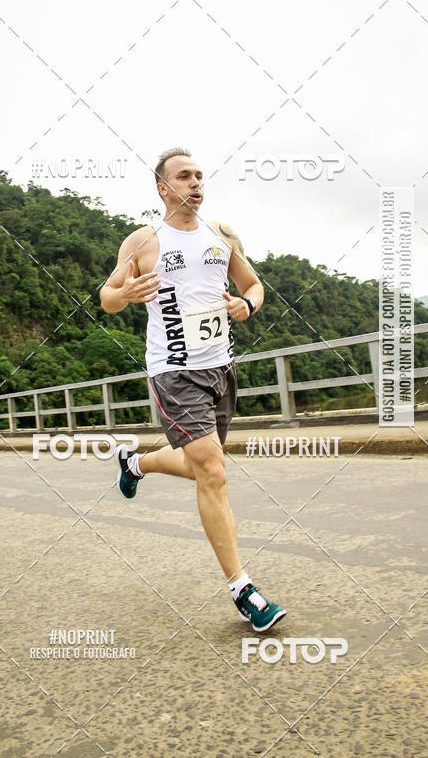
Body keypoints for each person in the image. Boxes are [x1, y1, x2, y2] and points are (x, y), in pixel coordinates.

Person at [100, 147, 286, 632]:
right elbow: (107, 297)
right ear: (163, 188)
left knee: (204, 465)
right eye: (184, 176)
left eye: (200, 175)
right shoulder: (143, 241)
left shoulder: (222, 236)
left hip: (220, 369)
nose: (196, 183)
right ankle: (243, 589)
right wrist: (125, 294)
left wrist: (246, 303)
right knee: (212, 469)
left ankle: (135, 462)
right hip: (174, 372)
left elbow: (255, 285)